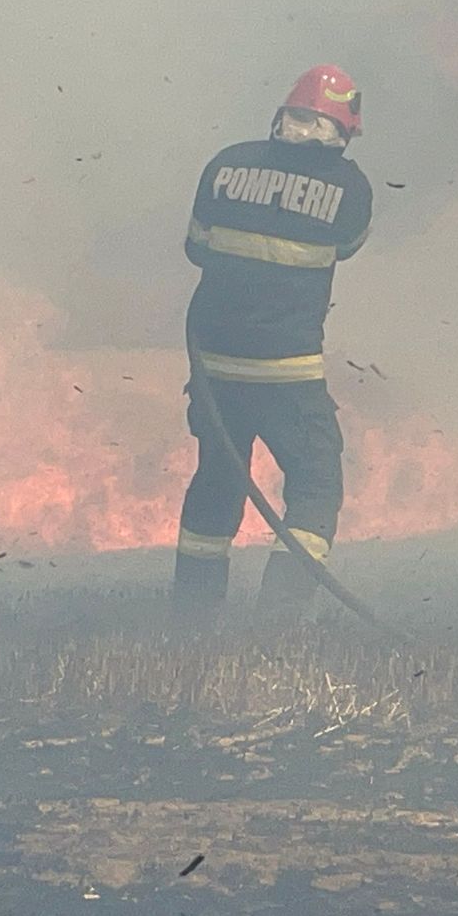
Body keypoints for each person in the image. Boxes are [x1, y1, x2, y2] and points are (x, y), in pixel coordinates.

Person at [171, 64, 374, 626]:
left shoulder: (226, 164)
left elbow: (196, 247)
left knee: (217, 481)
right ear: (341, 132)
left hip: (214, 368)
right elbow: (347, 245)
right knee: (315, 485)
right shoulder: (350, 188)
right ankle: (277, 622)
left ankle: (191, 616)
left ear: (284, 115)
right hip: (287, 371)